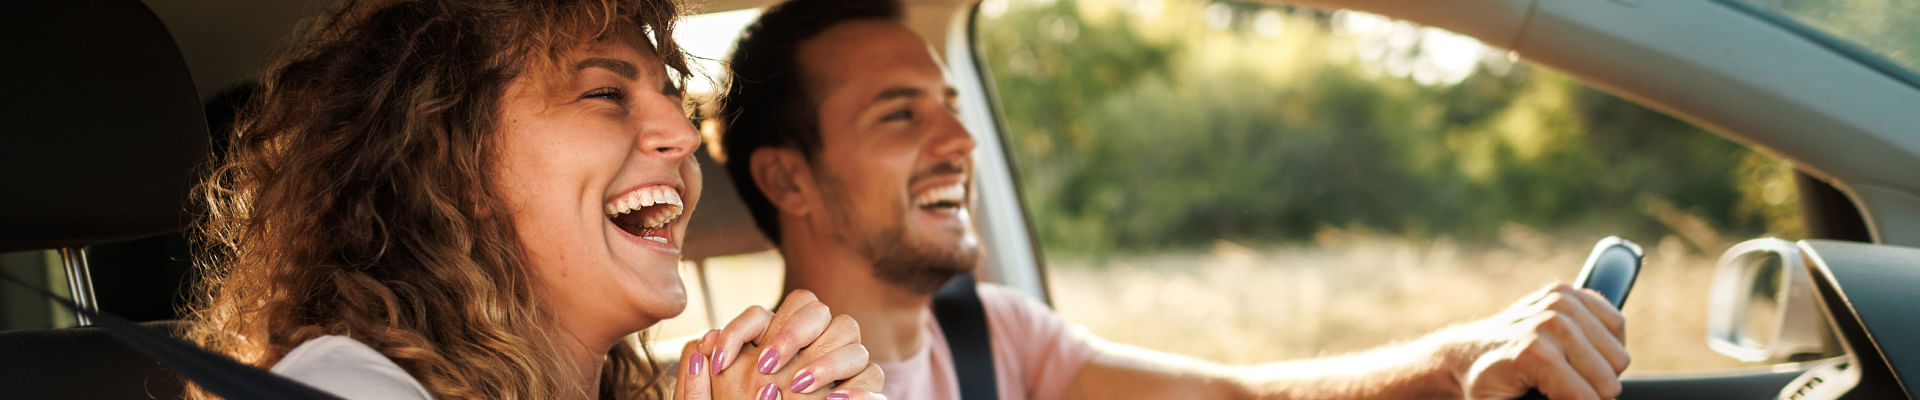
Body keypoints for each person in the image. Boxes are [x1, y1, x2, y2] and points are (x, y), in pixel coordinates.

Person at [712, 0, 1630, 399]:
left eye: (952, 106)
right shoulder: (731, 388)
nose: (959, 142)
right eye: (899, 114)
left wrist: (1458, 358)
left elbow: (1229, 397)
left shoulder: (991, 335)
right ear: (787, 176)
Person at [183, 0, 880, 399]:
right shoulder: (339, 387)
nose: (682, 134)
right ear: (454, 161)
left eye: (674, 99)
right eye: (606, 94)